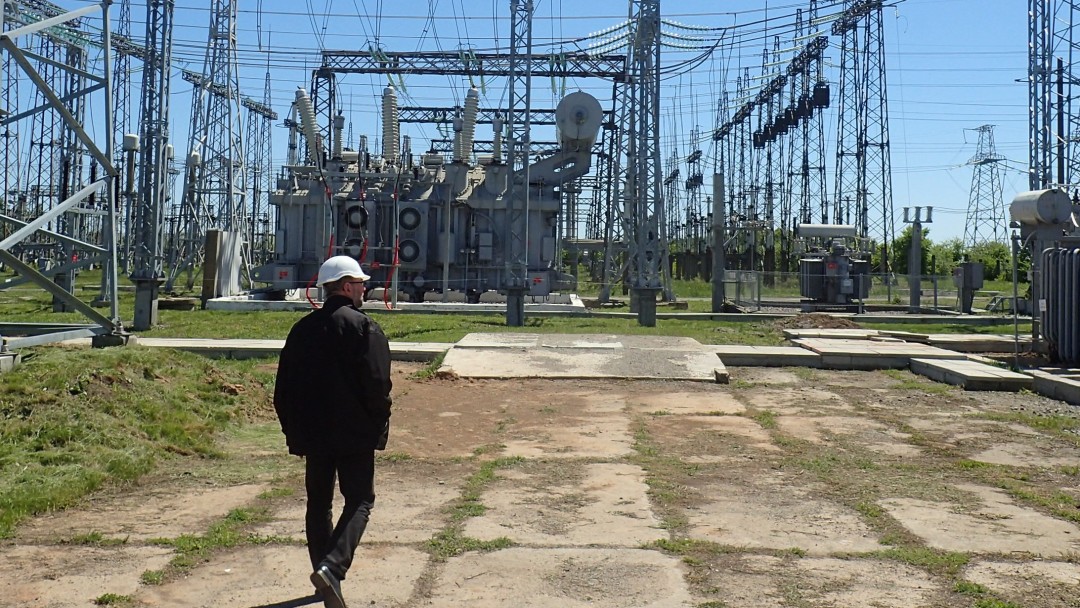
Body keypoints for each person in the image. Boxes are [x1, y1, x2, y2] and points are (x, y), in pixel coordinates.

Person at [273, 256, 393, 608]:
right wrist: (377, 428)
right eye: (359, 283)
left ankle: (323, 578)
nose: (365, 288)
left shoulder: (301, 331)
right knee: (360, 501)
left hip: (314, 436)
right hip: (355, 435)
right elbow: (378, 385)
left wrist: (294, 433)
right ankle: (332, 567)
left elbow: (283, 391)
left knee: (318, 504)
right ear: (345, 286)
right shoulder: (363, 328)